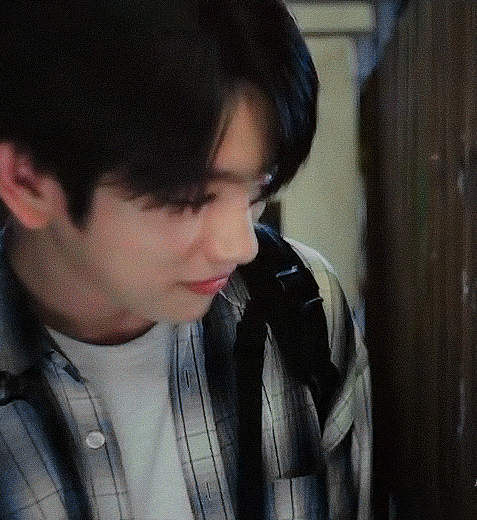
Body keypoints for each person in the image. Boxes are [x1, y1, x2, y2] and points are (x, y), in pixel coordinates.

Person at [0, 1, 371, 519]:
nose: (241, 246)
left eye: (258, 188)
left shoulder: (299, 304)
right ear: (28, 182)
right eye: (189, 199)